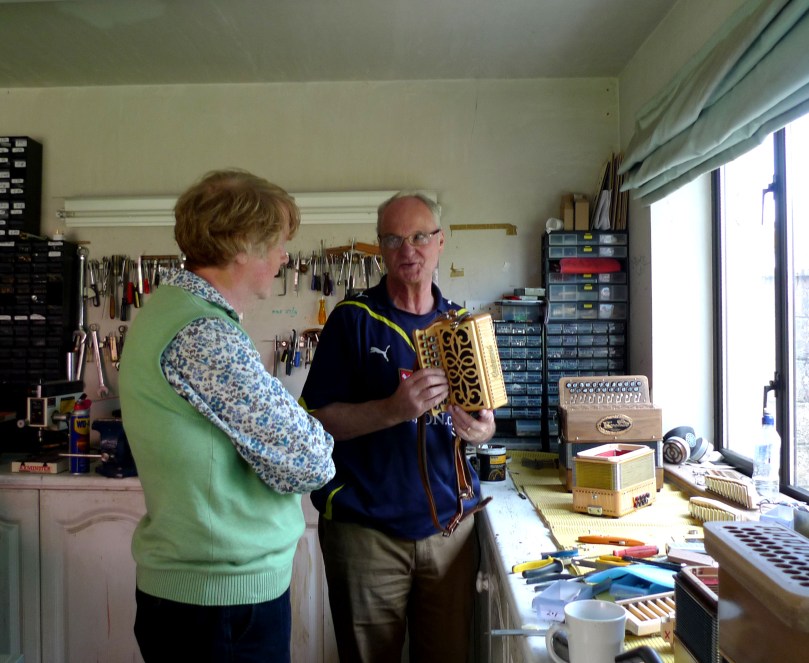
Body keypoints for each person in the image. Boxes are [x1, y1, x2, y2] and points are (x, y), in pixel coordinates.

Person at [118, 169, 335, 663]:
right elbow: (309, 462)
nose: (285, 257)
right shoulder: (203, 335)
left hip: (205, 594)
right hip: (219, 600)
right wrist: (313, 439)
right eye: (277, 243)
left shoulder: (174, 310)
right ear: (242, 246)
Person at [299, 191, 496, 663]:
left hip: (449, 532)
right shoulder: (352, 321)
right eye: (394, 239)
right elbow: (314, 422)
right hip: (365, 534)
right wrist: (392, 409)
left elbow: (487, 424)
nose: (409, 249)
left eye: (419, 236)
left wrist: (480, 430)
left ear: (440, 242)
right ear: (381, 248)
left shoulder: (462, 324)